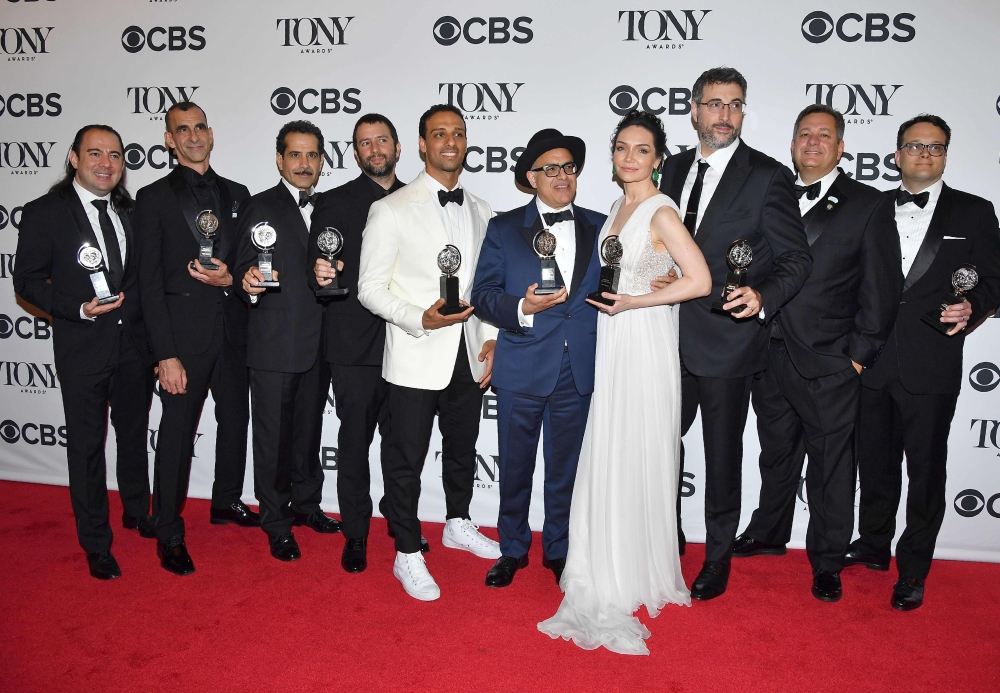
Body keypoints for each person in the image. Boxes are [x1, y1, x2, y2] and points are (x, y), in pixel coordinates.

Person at [538, 110, 712, 655]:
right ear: (613, 156)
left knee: (637, 446)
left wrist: (639, 299)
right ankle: (610, 555)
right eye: (621, 148)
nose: (630, 158)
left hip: (644, 341)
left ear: (658, 158)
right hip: (614, 342)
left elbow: (701, 279)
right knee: (613, 446)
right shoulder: (619, 206)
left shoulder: (660, 209)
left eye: (641, 149)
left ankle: (633, 566)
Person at [653, 66, 811, 600]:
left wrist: (763, 296)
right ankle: (664, 537)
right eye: (715, 104)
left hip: (729, 341)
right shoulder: (667, 169)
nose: (725, 115)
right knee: (658, 447)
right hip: (663, 338)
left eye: (736, 105)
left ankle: (717, 557)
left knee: (722, 457)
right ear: (694, 110)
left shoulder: (768, 175)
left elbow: (795, 259)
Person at [733, 104, 903, 602]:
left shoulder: (868, 203)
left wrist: (858, 356)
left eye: (823, 135)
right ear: (791, 144)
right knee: (776, 452)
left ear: (841, 146)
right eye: (804, 134)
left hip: (829, 359)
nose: (812, 142)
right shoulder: (770, 192)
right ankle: (769, 531)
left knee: (830, 465)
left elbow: (882, 287)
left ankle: (827, 560)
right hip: (767, 350)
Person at [848, 114, 1000, 610]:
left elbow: (994, 278)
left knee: (927, 470)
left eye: (935, 148)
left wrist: (973, 305)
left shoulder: (975, 212)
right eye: (915, 146)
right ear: (897, 155)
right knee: (874, 464)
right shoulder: (869, 207)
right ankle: (872, 545)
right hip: (869, 358)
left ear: (946, 156)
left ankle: (913, 568)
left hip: (930, 359)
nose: (925, 154)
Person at [357, 104, 500, 601]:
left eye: (458, 133)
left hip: (468, 353)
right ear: (420, 144)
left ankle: (458, 521)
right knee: (405, 458)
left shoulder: (483, 210)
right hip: (416, 354)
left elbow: (487, 287)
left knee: (463, 449)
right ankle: (406, 551)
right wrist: (421, 318)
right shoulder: (390, 209)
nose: (450, 142)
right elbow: (369, 288)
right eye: (439, 134)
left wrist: (490, 339)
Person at [13, 124, 156, 580]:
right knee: (87, 448)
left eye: (115, 155)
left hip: (133, 348)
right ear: (74, 158)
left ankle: (136, 510)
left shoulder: (133, 212)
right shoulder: (44, 212)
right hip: (83, 348)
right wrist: (77, 308)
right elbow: (27, 281)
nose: (106, 163)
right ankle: (96, 540)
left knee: (134, 436)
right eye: (95, 153)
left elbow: (143, 281)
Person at [471, 129, 606, 588]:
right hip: (522, 365)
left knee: (566, 470)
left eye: (568, 166)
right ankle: (511, 549)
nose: (562, 175)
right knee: (514, 466)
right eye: (550, 168)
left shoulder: (601, 224)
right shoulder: (504, 228)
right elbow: (483, 297)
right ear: (531, 177)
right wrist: (522, 309)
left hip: (579, 369)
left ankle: (560, 551)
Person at [136, 101, 257, 576]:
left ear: (211, 133)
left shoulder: (238, 193)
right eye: (181, 130)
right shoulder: (153, 197)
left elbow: (252, 264)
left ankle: (225, 501)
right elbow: (147, 281)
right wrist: (165, 353)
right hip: (182, 341)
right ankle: (167, 529)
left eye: (200, 127)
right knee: (175, 434)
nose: (193, 136)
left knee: (235, 423)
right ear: (169, 139)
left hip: (233, 332)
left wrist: (232, 280)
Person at [235, 120, 342, 562]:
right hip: (274, 345)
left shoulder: (331, 209)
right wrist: (248, 283)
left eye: (312, 155)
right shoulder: (259, 207)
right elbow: (242, 267)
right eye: (295, 155)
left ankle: (308, 505)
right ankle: (276, 522)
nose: (304, 163)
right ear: (280, 159)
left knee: (308, 433)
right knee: (274, 440)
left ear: (321, 162)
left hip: (320, 345)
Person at [309, 114, 406, 573]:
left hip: (410, 343)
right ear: (355, 153)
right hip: (356, 347)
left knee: (403, 446)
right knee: (354, 444)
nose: (374, 149)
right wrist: (319, 271)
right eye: (364, 143)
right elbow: (319, 261)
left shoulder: (419, 198)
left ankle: (402, 527)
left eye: (381, 140)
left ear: (399, 146)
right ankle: (355, 533)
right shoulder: (333, 202)